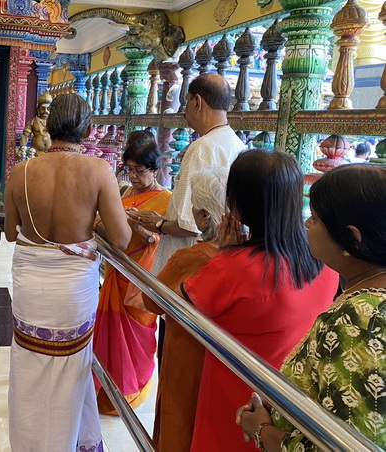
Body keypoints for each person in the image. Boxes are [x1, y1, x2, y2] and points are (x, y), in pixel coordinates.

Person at [181, 150, 340, 452]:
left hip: (236, 399)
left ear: (236, 205)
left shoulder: (233, 268)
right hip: (293, 397)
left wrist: (221, 255)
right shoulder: (324, 261)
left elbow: (173, 305)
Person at [5, 92, 131, 452]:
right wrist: (91, 223)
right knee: (71, 369)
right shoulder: (99, 171)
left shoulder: (21, 171)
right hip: (73, 292)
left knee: (30, 366)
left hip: (32, 289)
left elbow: (11, 233)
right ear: (88, 130)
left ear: (47, 125)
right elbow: (121, 239)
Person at [237, 164, 386, 451]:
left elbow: (346, 445)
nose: (307, 224)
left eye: (316, 219)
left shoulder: (359, 321)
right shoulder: (360, 294)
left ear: (352, 238)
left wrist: (262, 431)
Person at [136, 168, 229, 452]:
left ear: (204, 216)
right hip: (225, 363)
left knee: (178, 422)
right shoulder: (244, 255)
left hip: (187, 356)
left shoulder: (192, 257)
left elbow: (151, 301)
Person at [127, 73, 245, 276]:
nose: (184, 109)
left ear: (197, 102)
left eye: (187, 101)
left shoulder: (202, 147)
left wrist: (159, 224)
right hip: (222, 257)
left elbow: (189, 225)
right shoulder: (238, 144)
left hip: (190, 260)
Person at [93, 142, 171, 414]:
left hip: (141, 279)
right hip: (117, 271)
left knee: (138, 338)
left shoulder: (167, 200)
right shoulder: (124, 192)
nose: (134, 177)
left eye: (140, 171)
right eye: (130, 170)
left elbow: (168, 242)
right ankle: (105, 393)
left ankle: (131, 393)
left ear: (156, 170)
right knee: (109, 337)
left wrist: (147, 232)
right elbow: (101, 222)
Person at [16, 91, 53, 159]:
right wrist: (22, 148)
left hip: (51, 154)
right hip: (35, 153)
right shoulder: (33, 122)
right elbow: (25, 136)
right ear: (38, 110)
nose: (45, 110)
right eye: (43, 108)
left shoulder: (54, 122)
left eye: (48, 108)